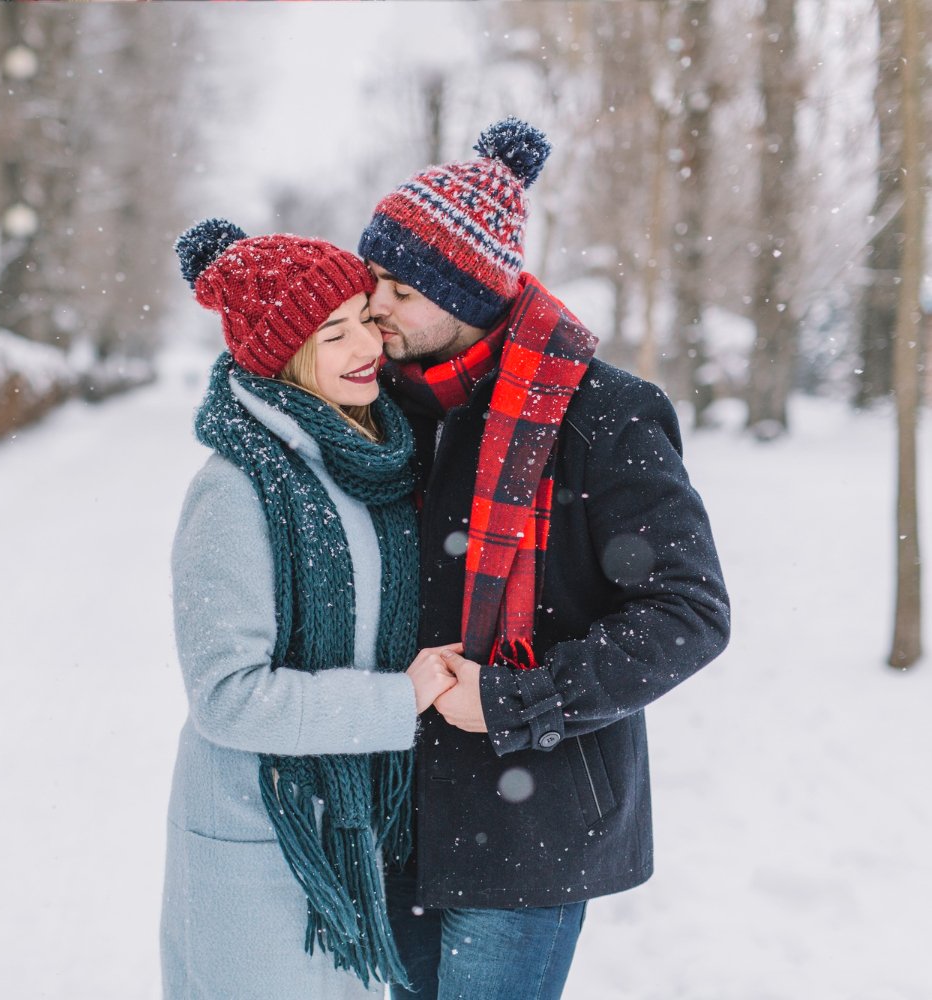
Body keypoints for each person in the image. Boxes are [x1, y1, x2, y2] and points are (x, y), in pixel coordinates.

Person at [357, 117, 731, 999]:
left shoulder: (603, 415)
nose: (375, 304)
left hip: (532, 826)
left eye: (402, 288)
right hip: (389, 812)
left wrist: (521, 700)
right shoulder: (383, 412)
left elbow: (689, 610)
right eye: (372, 277)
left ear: (470, 291)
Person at [160, 219, 459, 999]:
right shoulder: (235, 489)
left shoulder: (374, 466)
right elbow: (227, 696)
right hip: (261, 836)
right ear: (286, 358)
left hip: (353, 841)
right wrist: (400, 699)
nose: (367, 344)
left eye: (364, 316)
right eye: (334, 333)